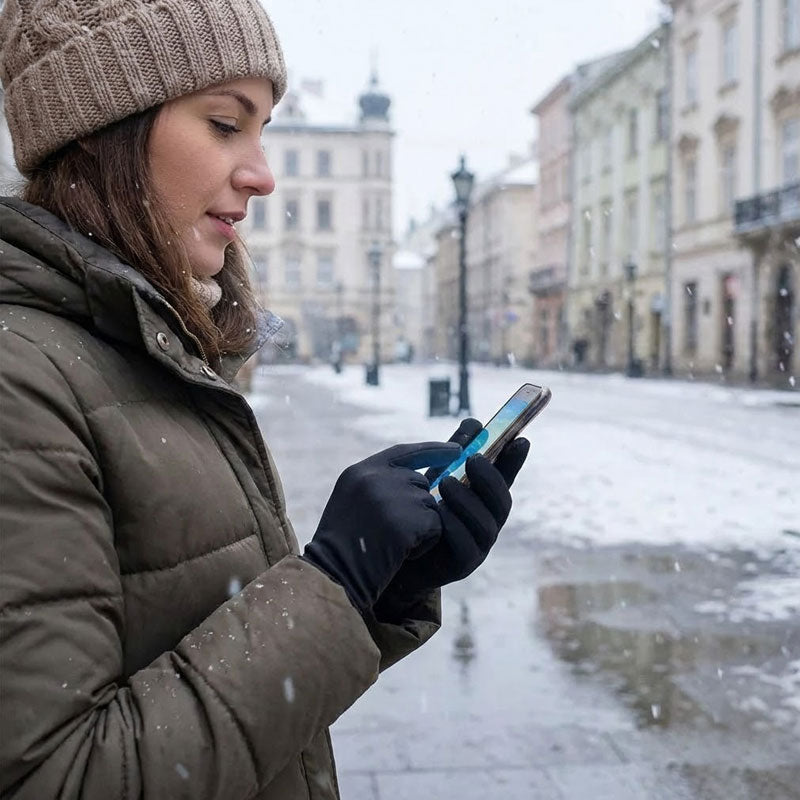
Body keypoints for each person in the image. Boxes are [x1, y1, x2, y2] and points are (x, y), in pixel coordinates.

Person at [0, 1, 530, 798]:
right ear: (103, 128)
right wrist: (331, 580)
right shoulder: (22, 378)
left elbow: (198, 661)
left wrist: (379, 588)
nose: (263, 175)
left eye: (264, 132)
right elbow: (58, 777)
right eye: (225, 124)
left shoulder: (151, 352)